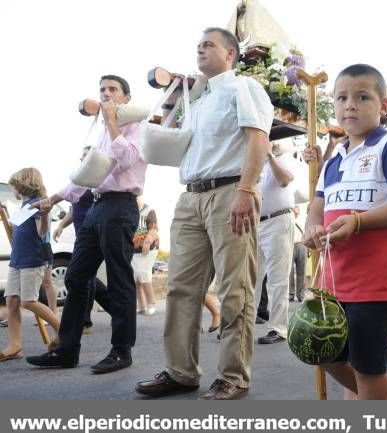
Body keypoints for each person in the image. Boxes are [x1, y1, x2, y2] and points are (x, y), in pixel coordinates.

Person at [135, 27, 273, 400]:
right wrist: (177, 92)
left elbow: (258, 137)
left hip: (230, 191)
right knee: (181, 288)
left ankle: (233, 376)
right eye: (197, 45)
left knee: (234, 289)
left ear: (230, 54)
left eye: (208, 44)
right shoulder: (195, 98)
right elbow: (163, 133)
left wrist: (246, 190)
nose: (199, 49)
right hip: (190, 196)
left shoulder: (243, 87)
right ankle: (180, 371)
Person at [303, 64, 387, 400]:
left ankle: (384, 396)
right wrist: (312, 230)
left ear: (383, 105)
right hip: (334, 281)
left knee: (368, 367)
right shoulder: (333, 161)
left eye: (361, 97)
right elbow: (318, 207)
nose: (349, 105)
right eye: (342, 98)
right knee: (323, 353)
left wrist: (357, 221)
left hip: (377, 283)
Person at [26, 74, 146, 373]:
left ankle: (121, 351)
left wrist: (112, 123)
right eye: (102, 90)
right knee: (76, 277)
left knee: (119, 281)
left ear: (126, 98)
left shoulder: (138, 127)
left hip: (121, 207)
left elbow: (129, 160)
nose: (106, 94)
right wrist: (52, 199)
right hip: (96, 207)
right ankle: (67, 351)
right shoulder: (103, 133)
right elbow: (84, 177)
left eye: (113, 90)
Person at [1, 168, 60, 362]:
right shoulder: (24, 207)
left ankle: (64, 331)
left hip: (32, 260)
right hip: (17, 259)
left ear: (22, 185)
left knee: (28, 301)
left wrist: (44, 214)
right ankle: (15, 345)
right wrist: (5, 213)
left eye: (14, 187)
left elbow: (43, 233)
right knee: (11, 300)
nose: (13, 191)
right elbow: (14, 230)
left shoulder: (37, 206)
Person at [52, 146, 111, 334]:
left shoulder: (97, 179)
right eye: (82, 156)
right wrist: (61, 224)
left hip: (93, 233)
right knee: (88, 277)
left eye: (86, 156)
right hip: (81, 234)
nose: (81, 158)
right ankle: (117, 310)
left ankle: (85, 320)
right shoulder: (79, 179)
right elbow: (72, 208)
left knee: (85, 276)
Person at [255, 141, 296, 344]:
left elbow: (284, 180)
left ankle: (279, 328)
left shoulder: (284, 157)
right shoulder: (255, 162)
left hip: (278, 220)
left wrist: (270, 156)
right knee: (250, 277)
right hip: (255, 223)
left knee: (277, 278)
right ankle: (244, 322)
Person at [132, 197, 159, 316]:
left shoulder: (149, 210)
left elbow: (153, 230)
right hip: (133, 250)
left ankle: (151, 303)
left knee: (143, 274)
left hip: (149, 249)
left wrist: (147, 242)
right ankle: (141, 305)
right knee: (135, 277)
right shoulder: (129, 210)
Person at [289, 205, 307, 302]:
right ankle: (290, 294)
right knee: (289, 272)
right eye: (296, 207)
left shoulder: (303, 218)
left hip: (301, 244)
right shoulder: (289, 218)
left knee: (302, 271)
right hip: (290, 244)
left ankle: (301, 295)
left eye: (299, 207)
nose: (298, 209)